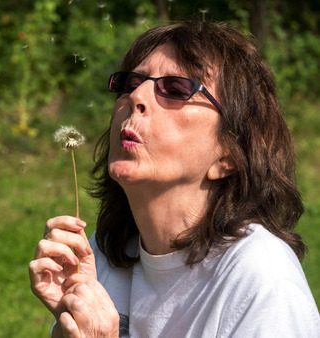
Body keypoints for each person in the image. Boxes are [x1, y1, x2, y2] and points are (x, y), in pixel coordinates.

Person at [29, 19, 320, 337]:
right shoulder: (103, 253)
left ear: (229, 156)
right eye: (131, 82)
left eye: (176, 89)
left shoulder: (264, 282)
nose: (137, 95)